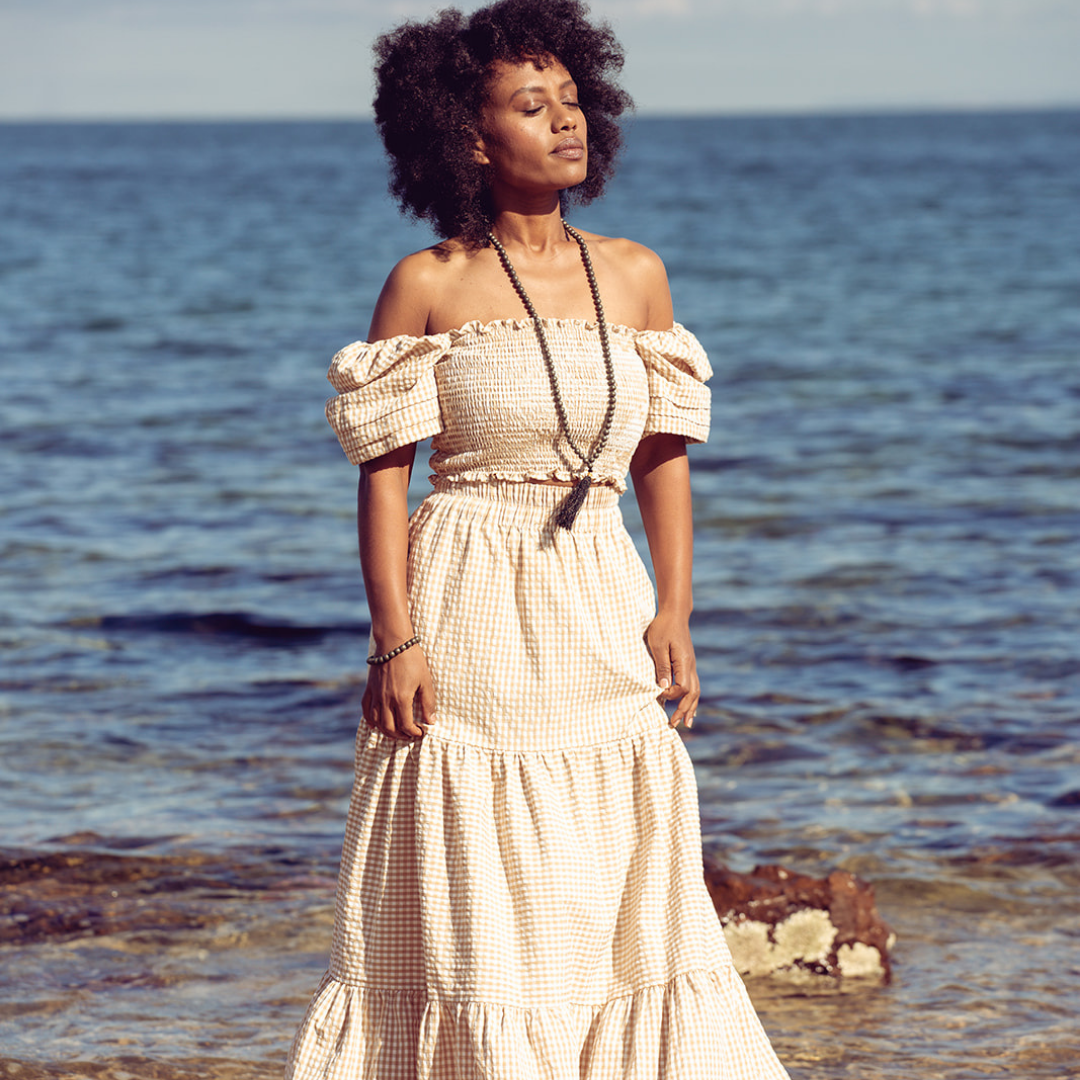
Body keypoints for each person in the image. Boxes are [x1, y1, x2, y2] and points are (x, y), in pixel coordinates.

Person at [286, 1, 792, 1076]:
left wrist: (676, 608)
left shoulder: (637, 273)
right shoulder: (426, 284)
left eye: (572, 100)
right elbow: (385, 482)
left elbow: (662, 457)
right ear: (471, 139)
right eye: (532, 105)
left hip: (598, 588)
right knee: (478, 861)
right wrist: (394, 639)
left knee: (605, 848)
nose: (567, 122)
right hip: (466, 595)